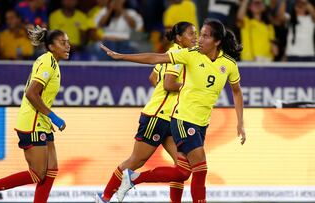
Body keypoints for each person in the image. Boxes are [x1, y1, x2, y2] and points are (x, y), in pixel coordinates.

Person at [100, 18, 246, 203]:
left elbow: (237, 91)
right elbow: (156, 59)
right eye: (198, 34)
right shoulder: (189, 54)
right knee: (201, 169)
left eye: (204, 36)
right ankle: (107, 195)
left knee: (183, 172)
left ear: (217, 41)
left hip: (201, 123)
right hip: (183, 119)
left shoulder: (229, 64)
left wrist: (240, 122)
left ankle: (134, 178)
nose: (199, 39)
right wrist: (121, 56)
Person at [95, 21, 197, 203]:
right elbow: (168, 84)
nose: (195, 37)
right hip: (157, 118)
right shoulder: (177, 55)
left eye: (195, 33)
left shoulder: (174, 55)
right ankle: (105, 197)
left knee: (183, 169)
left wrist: (167, 97)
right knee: (135, 161)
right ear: (179, 38)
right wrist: (190, 88)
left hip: (171, 118)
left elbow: (153, 77)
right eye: (191, 34)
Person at [0, 25, 70, 203]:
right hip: (32, 122)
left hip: (41, 121)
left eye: (68, 42)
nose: (67, 45)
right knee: (38, 174)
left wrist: (47, 118)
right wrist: (53, 116)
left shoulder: (53, 63)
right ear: (51, 46)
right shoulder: (47, 62)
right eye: (62, 42)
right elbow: (31, 93)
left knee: (52, 169)